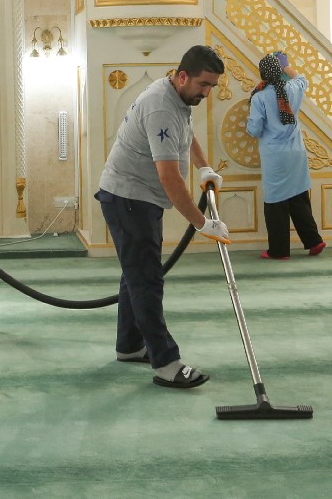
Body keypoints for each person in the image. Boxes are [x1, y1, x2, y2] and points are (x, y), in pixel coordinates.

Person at [94, 45, 230, 389]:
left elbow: (187, 134)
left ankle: (129, 346)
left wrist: (205, 167)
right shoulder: (160, 106)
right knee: (146, 280)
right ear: (183, 75)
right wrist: (202, 223)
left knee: (136, 274)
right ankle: (166, 363)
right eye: (204, 84)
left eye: (212, 86)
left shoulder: (178, 97)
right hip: (127, 198)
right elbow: (170, 177)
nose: (207, 92)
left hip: (138, 198)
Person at [247, 52, 326, 260]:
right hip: (297, 153)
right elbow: (302, 79)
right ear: (280, 72)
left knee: (275, 203)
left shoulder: (260, 97)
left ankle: (279, 250)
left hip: (275, 156)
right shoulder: (292, 88)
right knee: (299, 197)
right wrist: (287, 65)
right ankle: (314, 241)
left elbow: (254, 129)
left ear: (263, 74)